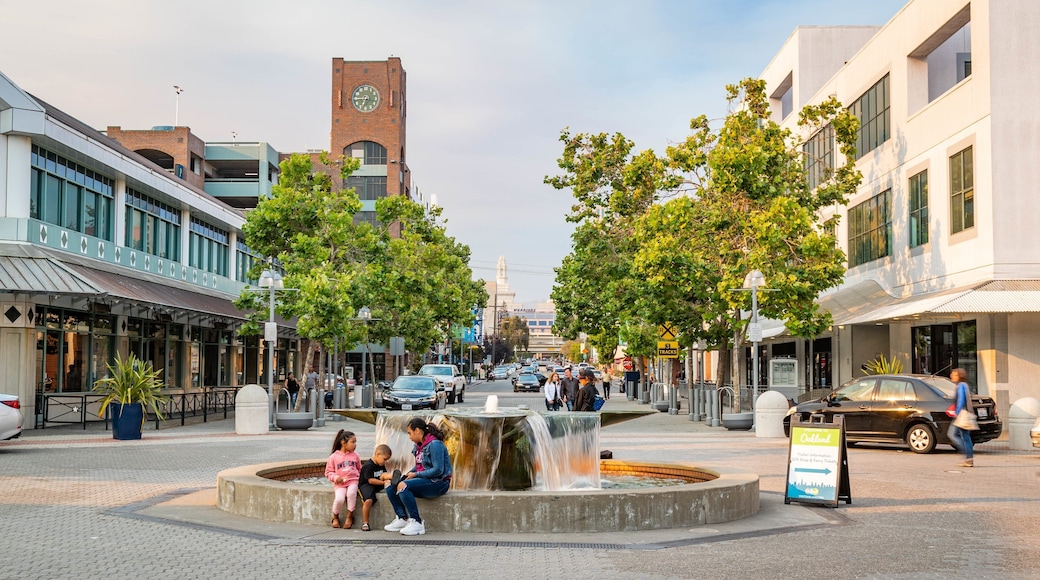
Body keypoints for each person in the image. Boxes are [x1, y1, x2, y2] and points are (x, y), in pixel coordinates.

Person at [384, 417, 453, 536]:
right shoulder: (418, 446)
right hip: (425, 480)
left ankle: (417, 522)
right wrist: (407, 475)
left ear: (417, 431)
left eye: (410, 433)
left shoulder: (435, 445)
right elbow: (419, 466)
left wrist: (416, 475)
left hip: (439, 483)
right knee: (391, 486)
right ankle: (402, 519)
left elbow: (438, 470)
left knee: (403, 486)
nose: (409, 437)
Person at [325, 430, 362, 528]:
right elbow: (328, 472)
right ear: (343, 443)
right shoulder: (333, 457)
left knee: (351, 493)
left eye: (355, 442)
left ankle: (349, 516)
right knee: (339, 499)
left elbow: (359, 469)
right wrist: (336, 478)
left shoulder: (356, 455)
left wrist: (360, 478)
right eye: (352, 442)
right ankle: (335, 516)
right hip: (340, 483)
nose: (355, 445)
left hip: (353, 480)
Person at [358, 444, 393, 532]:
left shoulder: (381, 464)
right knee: (368, 500)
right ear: (377, 454)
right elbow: (370, 481)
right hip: (366, 485)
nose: (385, 462)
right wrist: (383, 482)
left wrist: (388, 478)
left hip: (377, 483)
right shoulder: (368, 466)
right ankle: (365, 522)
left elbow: (383, 475)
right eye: (384, 459)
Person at [948, 368, 976, 468]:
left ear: (959, 376)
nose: (951, 376)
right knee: (965, 437)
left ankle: (967, 455)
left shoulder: (961, 386)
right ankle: (969, 458)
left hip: (961, 415)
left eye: (954, 374)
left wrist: (957, 413)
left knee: (952, 434)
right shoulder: (964, 385)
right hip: (965, 414)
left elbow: (961, 400)